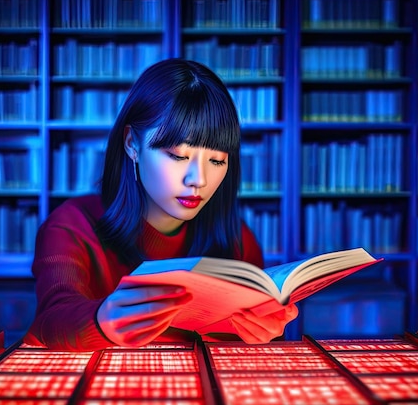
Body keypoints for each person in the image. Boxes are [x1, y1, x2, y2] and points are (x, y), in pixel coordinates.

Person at [24, 58, 298, 350]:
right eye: (178, 156)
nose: (199, 180)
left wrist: (264, 332)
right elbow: (52, 319)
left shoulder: (237, 240)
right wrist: (101, 321)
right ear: (132, 144)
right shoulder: (72, 226)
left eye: (217, 160)